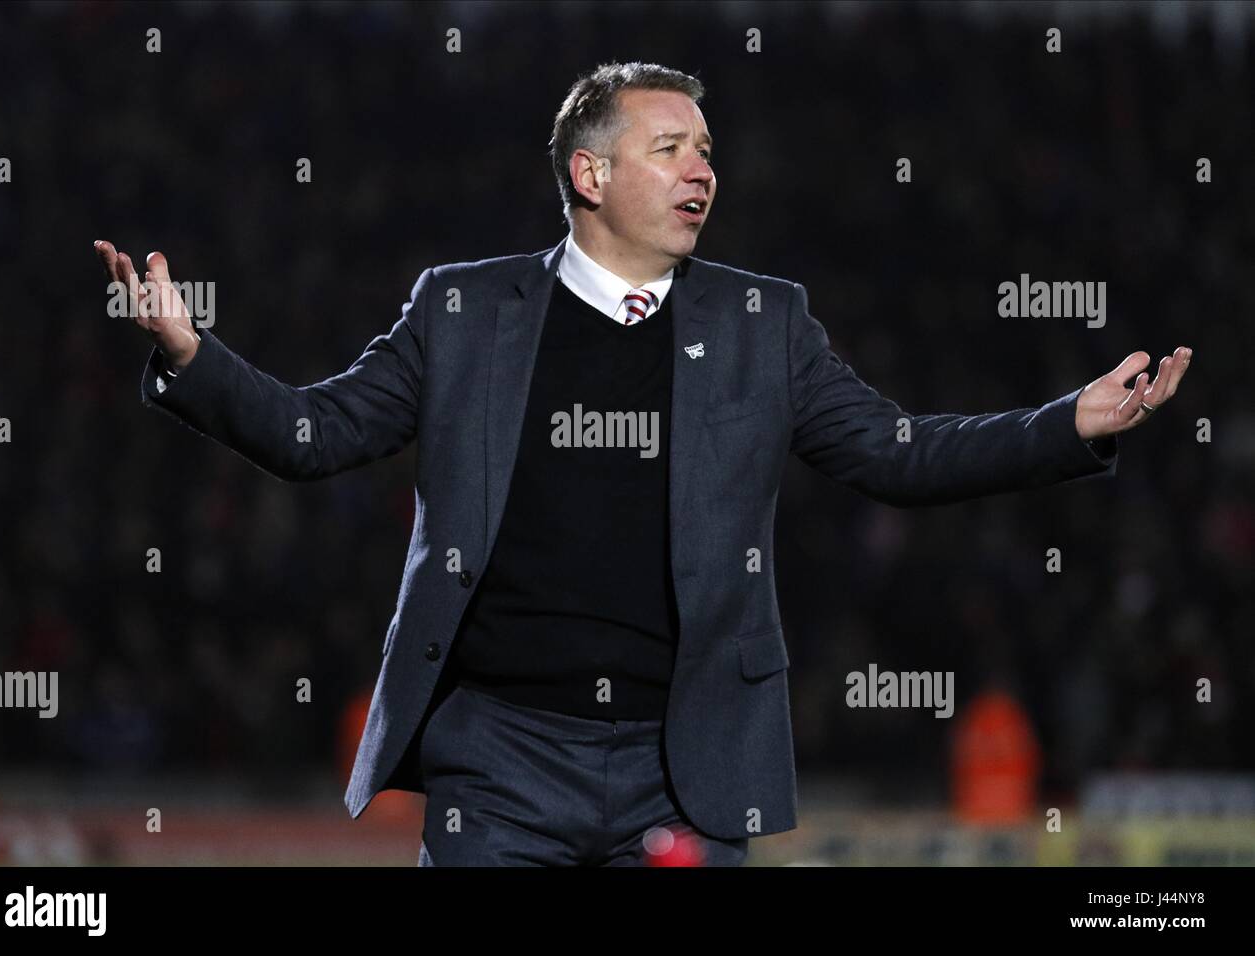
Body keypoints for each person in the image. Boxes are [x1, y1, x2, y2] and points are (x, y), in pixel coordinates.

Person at [93, 61, 1192, 866]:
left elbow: (896, 454)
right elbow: (309, 436)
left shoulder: (765, 321)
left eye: (707, 150)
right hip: (499, 763)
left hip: (688, 758)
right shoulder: (464, 308)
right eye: (669, 148)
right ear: (588, 171)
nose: (700, 169)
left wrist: (1069, 424)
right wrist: (193, 356)